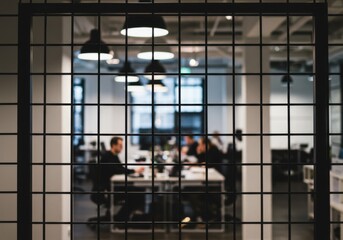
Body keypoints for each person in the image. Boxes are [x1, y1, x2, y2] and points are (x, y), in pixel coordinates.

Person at [99, 137, 145, 222]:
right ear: (113, 145)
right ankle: (121, 218)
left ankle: (122, 216)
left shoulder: (113, 155)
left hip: (114, 185)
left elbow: (120, 168)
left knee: (139, 190)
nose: (122, 147)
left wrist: (132, 171)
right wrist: (134, 170)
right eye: (120, 145)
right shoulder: (107, 156)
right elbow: (117, 170)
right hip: (109, 188)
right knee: (138, 193)